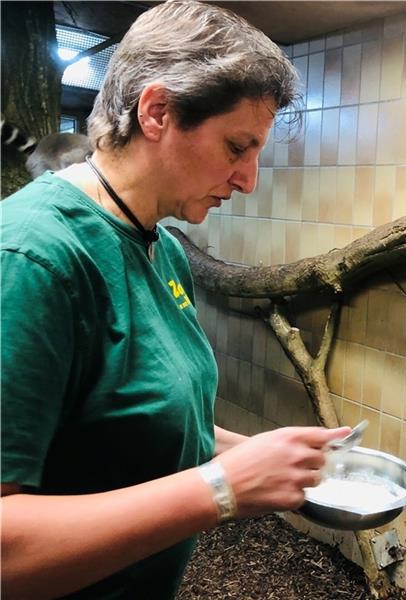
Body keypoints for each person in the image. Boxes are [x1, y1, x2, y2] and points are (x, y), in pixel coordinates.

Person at [0, 1, 349, 598]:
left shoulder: (157, 242)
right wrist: (221, 488)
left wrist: (266, 455)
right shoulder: (32, 259)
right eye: (236, 147)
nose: (249, 178)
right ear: (157, 111)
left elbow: (140, 416)